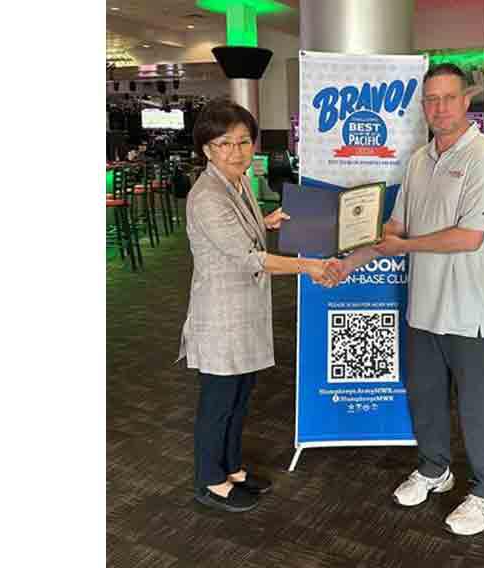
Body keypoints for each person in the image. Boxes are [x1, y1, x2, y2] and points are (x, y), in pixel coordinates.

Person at [328, 63, 484, 536]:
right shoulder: (417, 160)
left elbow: (471, 236)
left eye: (448, 97)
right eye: (431, 99)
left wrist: (403, 246)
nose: (439, 107)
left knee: (475, 403)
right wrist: (352, 259)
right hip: (424, 305)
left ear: (466, 101)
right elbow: (396, 227)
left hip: (469, 308)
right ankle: (435, 469)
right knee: (426, 396)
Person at [178, 99, 339, 513]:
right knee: (218, 402)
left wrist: (263, 222)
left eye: (243, 142)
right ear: (207, 150)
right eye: (224, 144)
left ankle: (230, 468)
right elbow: (249, 257)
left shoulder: (239, 182)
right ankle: (208, 480)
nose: (236, 151)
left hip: (246, 309)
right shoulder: (207, 196)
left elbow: (244, 234)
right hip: (222, 315)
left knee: (240, 395)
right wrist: (311, 266)